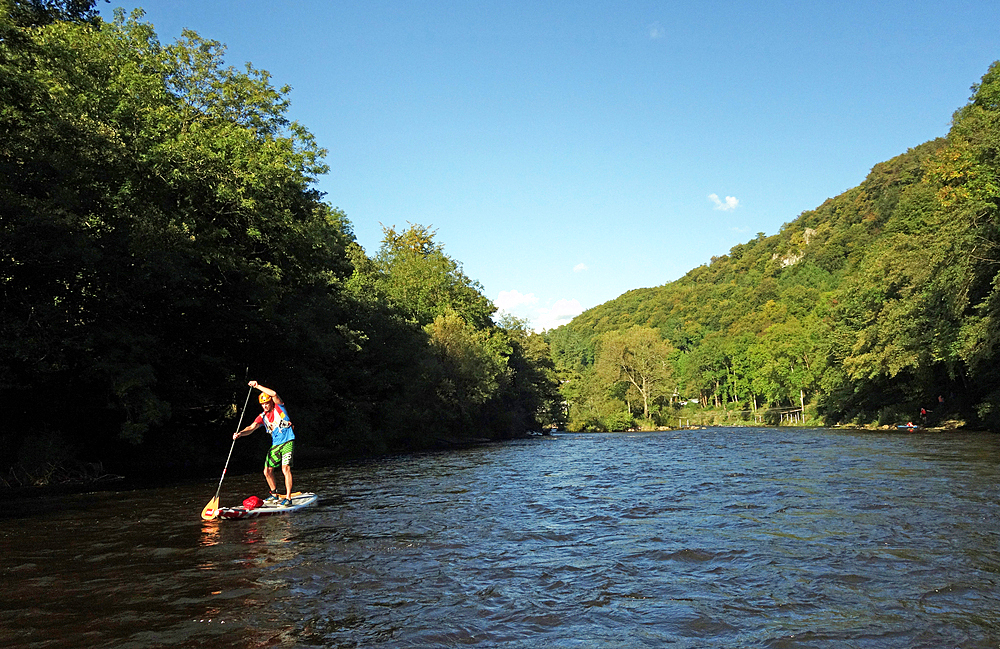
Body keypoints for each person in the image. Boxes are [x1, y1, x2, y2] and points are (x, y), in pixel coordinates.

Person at [234, 381, 296, 506]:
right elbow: (251, 428)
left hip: (288, 441)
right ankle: (274, 494)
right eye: (263, 404)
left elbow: (273, 394)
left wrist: (257, 386)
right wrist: (240, 433)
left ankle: (288, 498)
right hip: (275, 445)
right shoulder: (262, 416)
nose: (265, 406)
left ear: (271, 402)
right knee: (267, 471)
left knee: (285, 468)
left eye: (267, 403)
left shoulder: (279, 407)